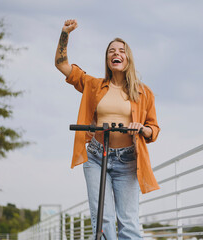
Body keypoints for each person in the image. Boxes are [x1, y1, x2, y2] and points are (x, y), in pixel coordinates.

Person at [55, 19, 160, 239]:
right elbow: (61, 64)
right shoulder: (93, 85)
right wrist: (65, 34)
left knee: (129, 222)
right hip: (96, 157)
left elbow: (153, 129)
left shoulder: (143, 93)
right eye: (111, 51)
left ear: (127, 58)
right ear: (108, 59)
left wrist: (141, 128)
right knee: (104, 219)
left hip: (128, 161)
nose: (116, 53)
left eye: (121, 50)